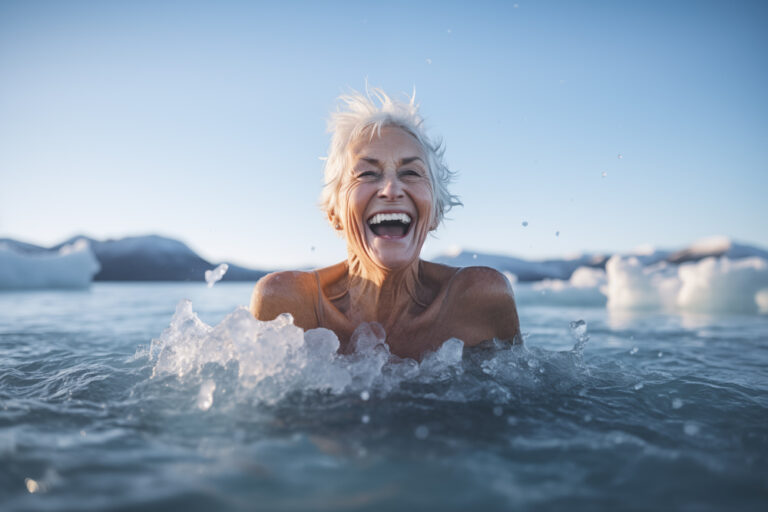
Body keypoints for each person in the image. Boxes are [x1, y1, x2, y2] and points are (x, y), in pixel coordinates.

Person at [250, 88, 520, 360]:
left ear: (435, 212)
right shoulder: (287, 305)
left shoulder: (480, 298)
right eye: (367, 173)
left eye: (411, 173)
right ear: (335, 214)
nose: (391, 189)